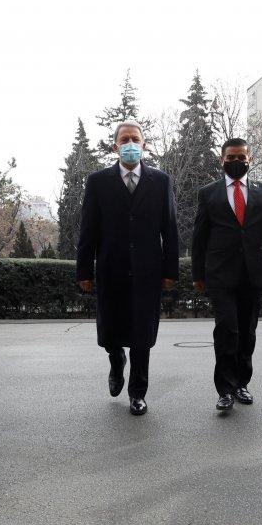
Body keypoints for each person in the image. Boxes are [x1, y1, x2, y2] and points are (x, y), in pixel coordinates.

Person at [76, 121, 179, 416]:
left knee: (142, 336)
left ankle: (138, 393)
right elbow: (88, 229)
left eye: (136, 139)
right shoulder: (98, 181)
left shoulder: (161, 181)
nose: (130, 143)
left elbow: (169, 229)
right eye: (125, 139)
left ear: (144, 145)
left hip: (148, 271)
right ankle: (116, 360)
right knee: (111, 333)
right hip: (111, 269)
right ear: (115, 146)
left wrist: (170, 269)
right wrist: (84, 271)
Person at [192, 137, 262, 413]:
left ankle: (241, 384)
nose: (236, 162)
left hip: (254, 273)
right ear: (222, 159)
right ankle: (224, 389)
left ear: (250, 159)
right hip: (220, 274)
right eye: (231, 158)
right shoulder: (209, 193)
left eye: (241, 158)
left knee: (247, 332)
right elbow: (199, 237)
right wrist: (197, 274)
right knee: (227, 329)